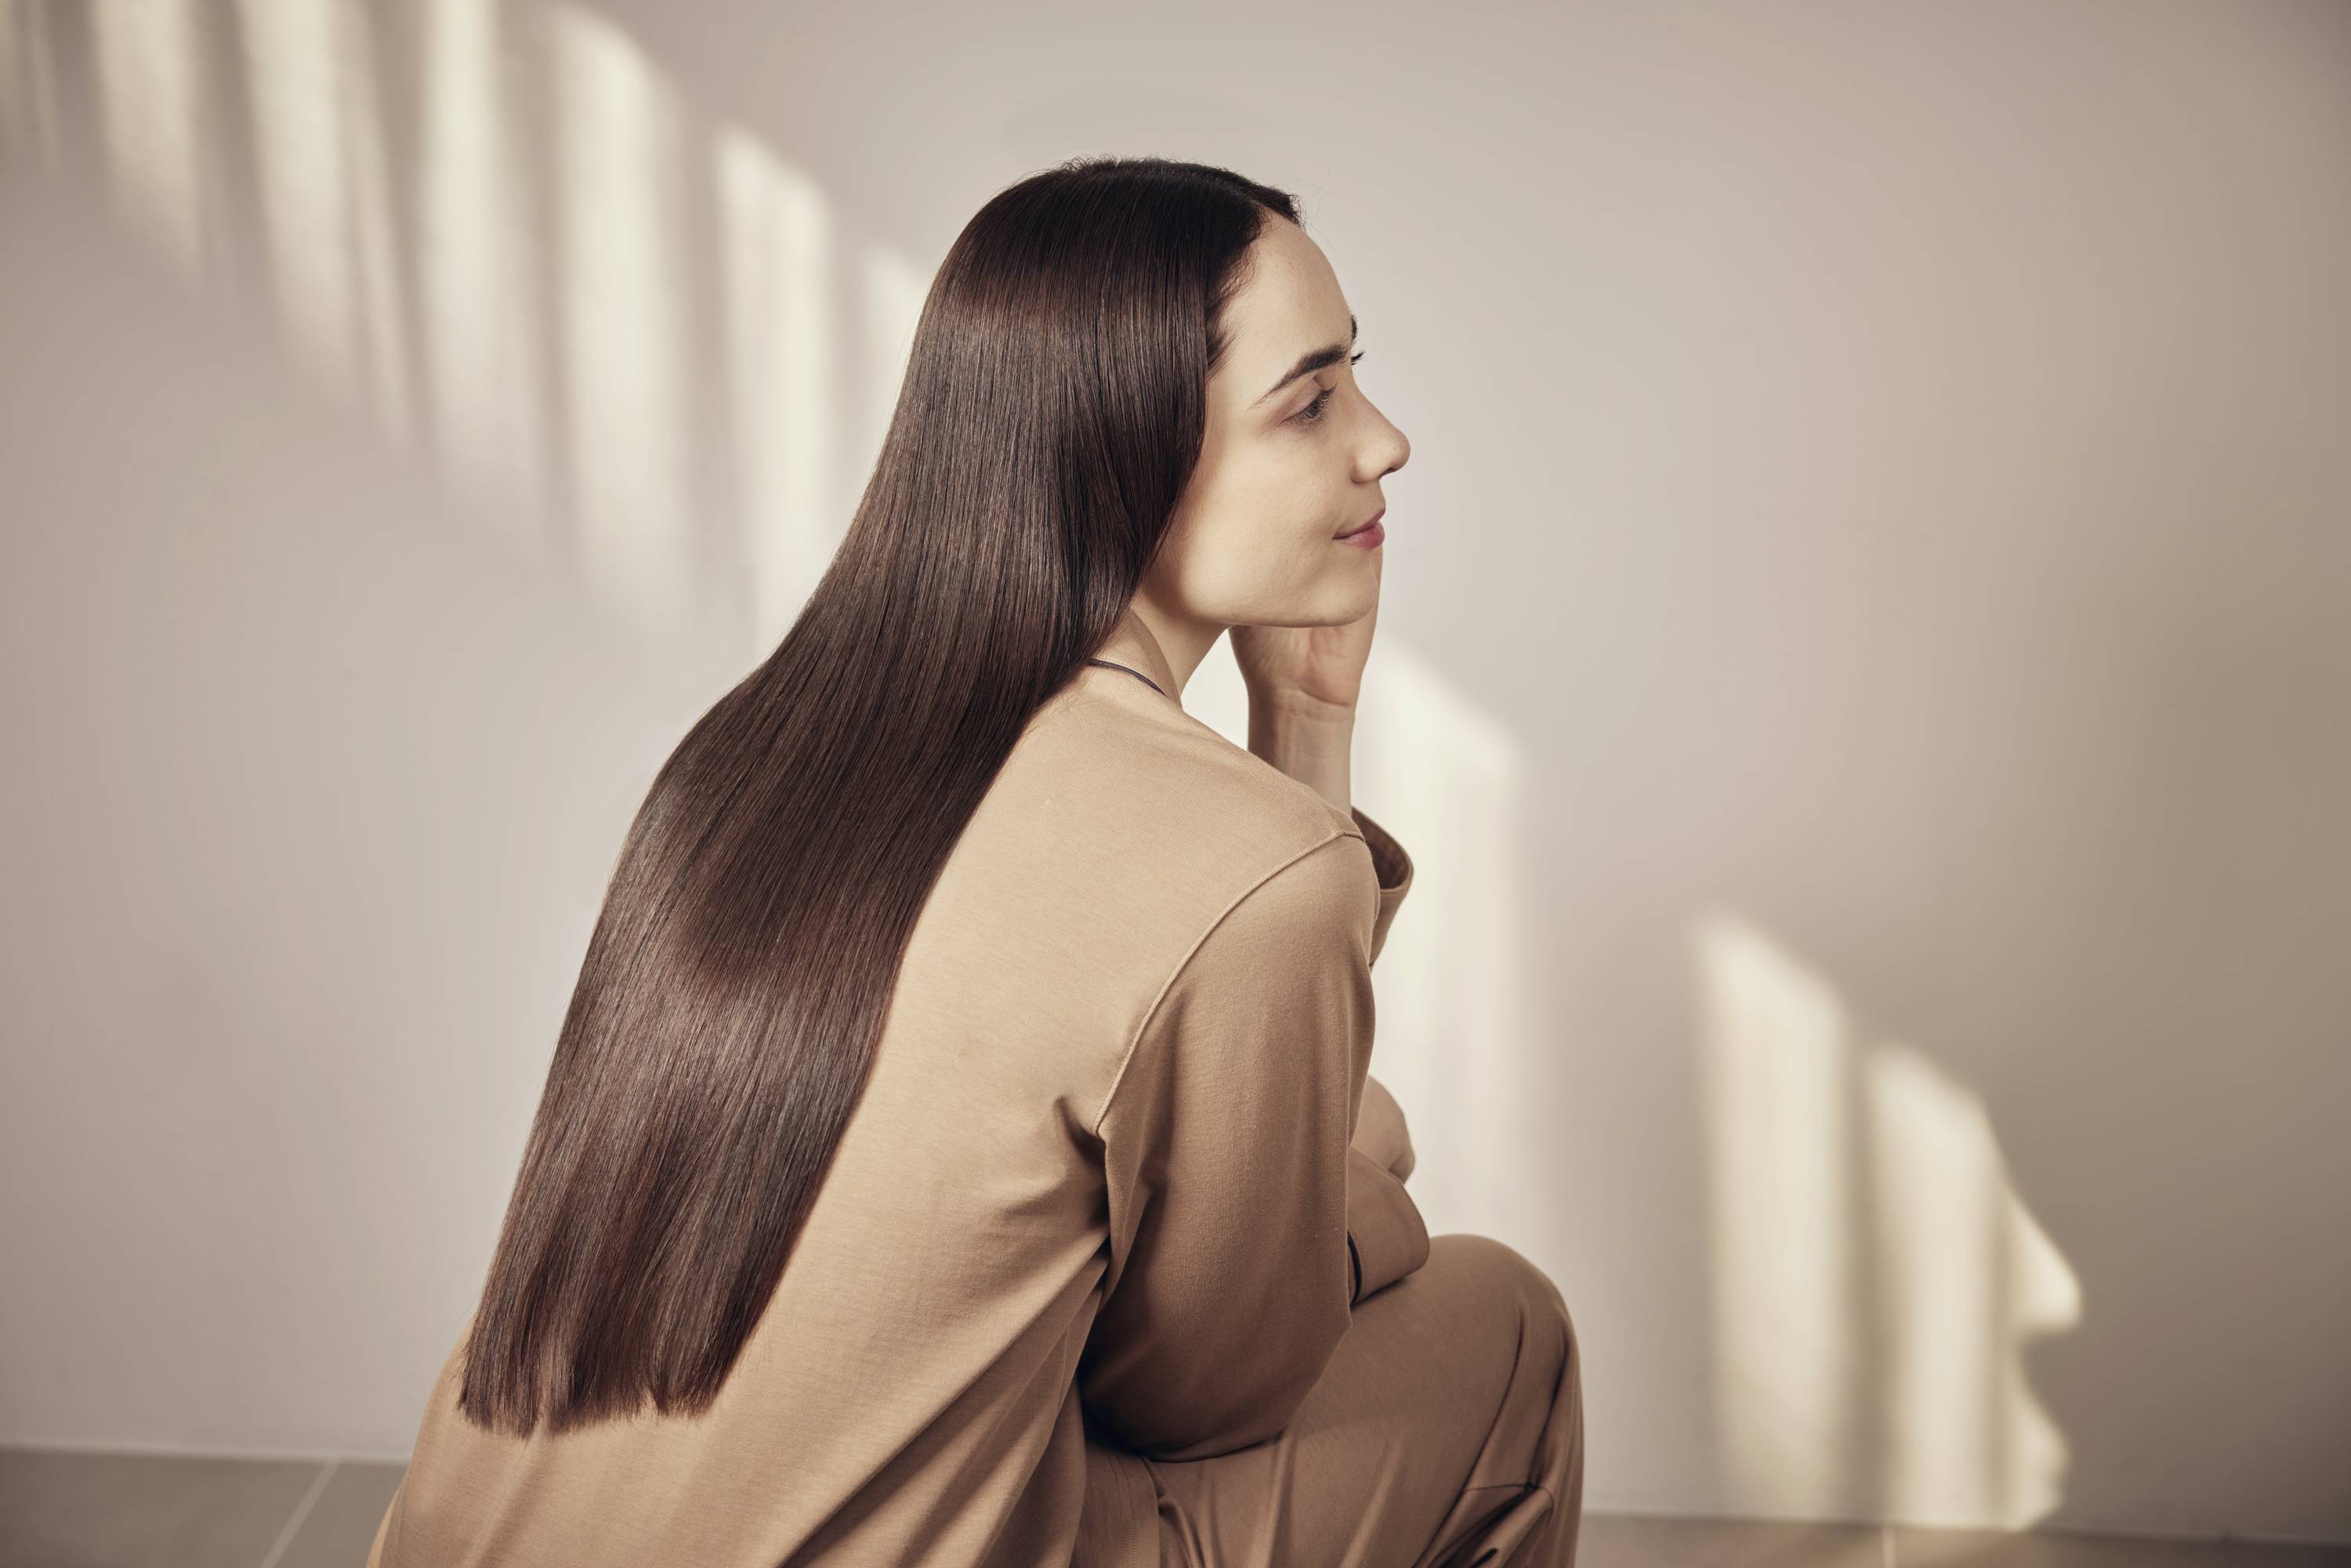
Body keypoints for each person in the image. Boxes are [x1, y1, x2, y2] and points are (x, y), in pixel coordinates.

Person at [368, 155, 1581, 1568]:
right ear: (1122, 449)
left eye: (1354, 376)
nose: (1385, 442)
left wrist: (1301, 712)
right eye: (1309, 401)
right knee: (1509, 1334)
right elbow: (1205, 1399)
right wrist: (1347, 1197)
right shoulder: (1248, 862)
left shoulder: (752, 756)